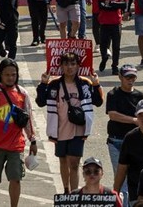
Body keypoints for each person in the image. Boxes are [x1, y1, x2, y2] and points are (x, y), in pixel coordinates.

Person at [36, 52, 104, 193]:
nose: (70, 67)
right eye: (66, 64)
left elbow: (98, 102)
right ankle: (66, 189)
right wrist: (43, 83)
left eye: (73, 64)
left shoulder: (85, 83)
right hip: (59, 129)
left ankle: (73, 193)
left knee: (74, 163)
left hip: (78, 130)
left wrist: (96, 84)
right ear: (61, 66)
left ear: (78, 66)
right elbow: (40, 102)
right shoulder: (54, 84)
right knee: (63, 161)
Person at [0, 58, 38, 207]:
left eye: (13, 74)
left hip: (16, 145)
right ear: (0, 75)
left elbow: (28, 117)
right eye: (7, 75)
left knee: (15, 178)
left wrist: (33, 139)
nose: (10, 78)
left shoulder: (22, 94)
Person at [105, 64, 143, 206]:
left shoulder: (140, 96)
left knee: (134, 177)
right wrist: (133, 120)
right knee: (122, 179)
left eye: (133, 77)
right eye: (127, 77)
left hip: (134, 142)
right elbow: (112, 115)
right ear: (120, 77)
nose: (130, 80)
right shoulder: (113, 94)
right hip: (116, 141)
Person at [95, 0, 129, 75]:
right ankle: (104, 58)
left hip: (116, 22)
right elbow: (101, 5)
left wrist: (111, 4)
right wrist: (115, 5)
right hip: (104, 22)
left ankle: (115, 66)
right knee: (103, 44)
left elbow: (124, 5)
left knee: (116, 46)